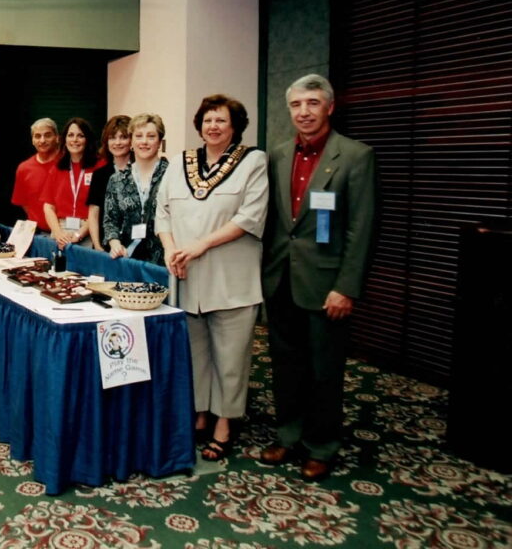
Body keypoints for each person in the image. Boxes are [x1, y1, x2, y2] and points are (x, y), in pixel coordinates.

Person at [259, 74, 378, 482]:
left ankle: (321, 445)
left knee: (324, 370)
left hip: (327, 285)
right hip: (281, 279)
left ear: (330, 106)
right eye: (296, 105)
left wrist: (346, 287)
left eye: (312, 103)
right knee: (285, 365)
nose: (304, 112)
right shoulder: (277, 154)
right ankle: (288, 435)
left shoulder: (356, 156)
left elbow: (362, 228)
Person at [155, 95, 268, 462]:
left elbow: (249, 217)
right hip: (186, 276)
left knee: (230, 358)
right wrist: (171, 249)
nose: (213, 126)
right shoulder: (179, 163)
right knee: (196, 355)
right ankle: (200, 413)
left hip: (231, 279)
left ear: (235, 126)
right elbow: (162, 212)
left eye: (221, 120)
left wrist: (201, 245)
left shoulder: (253, 161)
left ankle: (224, 423)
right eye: (207, 120)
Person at [103, 113, 169, 265]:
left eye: (151, 136)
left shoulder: (172, 176)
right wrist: (115, 244)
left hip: (163, 261)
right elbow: (110, 221)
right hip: (127, 259)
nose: (144, 141)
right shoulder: (117, 180)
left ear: (160, 142)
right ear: (131, 142)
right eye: (138, 136)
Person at [41, 117, 104, 248]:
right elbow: (48, 207)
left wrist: (79, 234)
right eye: (70, 135)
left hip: (88, 230)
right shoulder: (57, 168)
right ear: (64, 139)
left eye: (80, 136)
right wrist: (58, 233)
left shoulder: (99, 167)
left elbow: (100, 209)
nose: (74, 140)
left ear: (87, 140)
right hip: (60, 230)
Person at [87, 115, 131, 249]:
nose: (117, 142)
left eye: (123, 137)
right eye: (112, 138)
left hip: (134, 246)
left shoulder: (139, 171)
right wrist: (97, 245)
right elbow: (94, 213)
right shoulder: (99, 175)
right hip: (105, 245)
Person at [11, 118, 59, 232]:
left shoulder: (67, 164)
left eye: (47, 135)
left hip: (65, 232)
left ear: (57, 138)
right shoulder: (24, 168)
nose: (42, 140)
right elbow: (23, 202)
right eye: (37, 136)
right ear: (32, 140)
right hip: (36, 232)